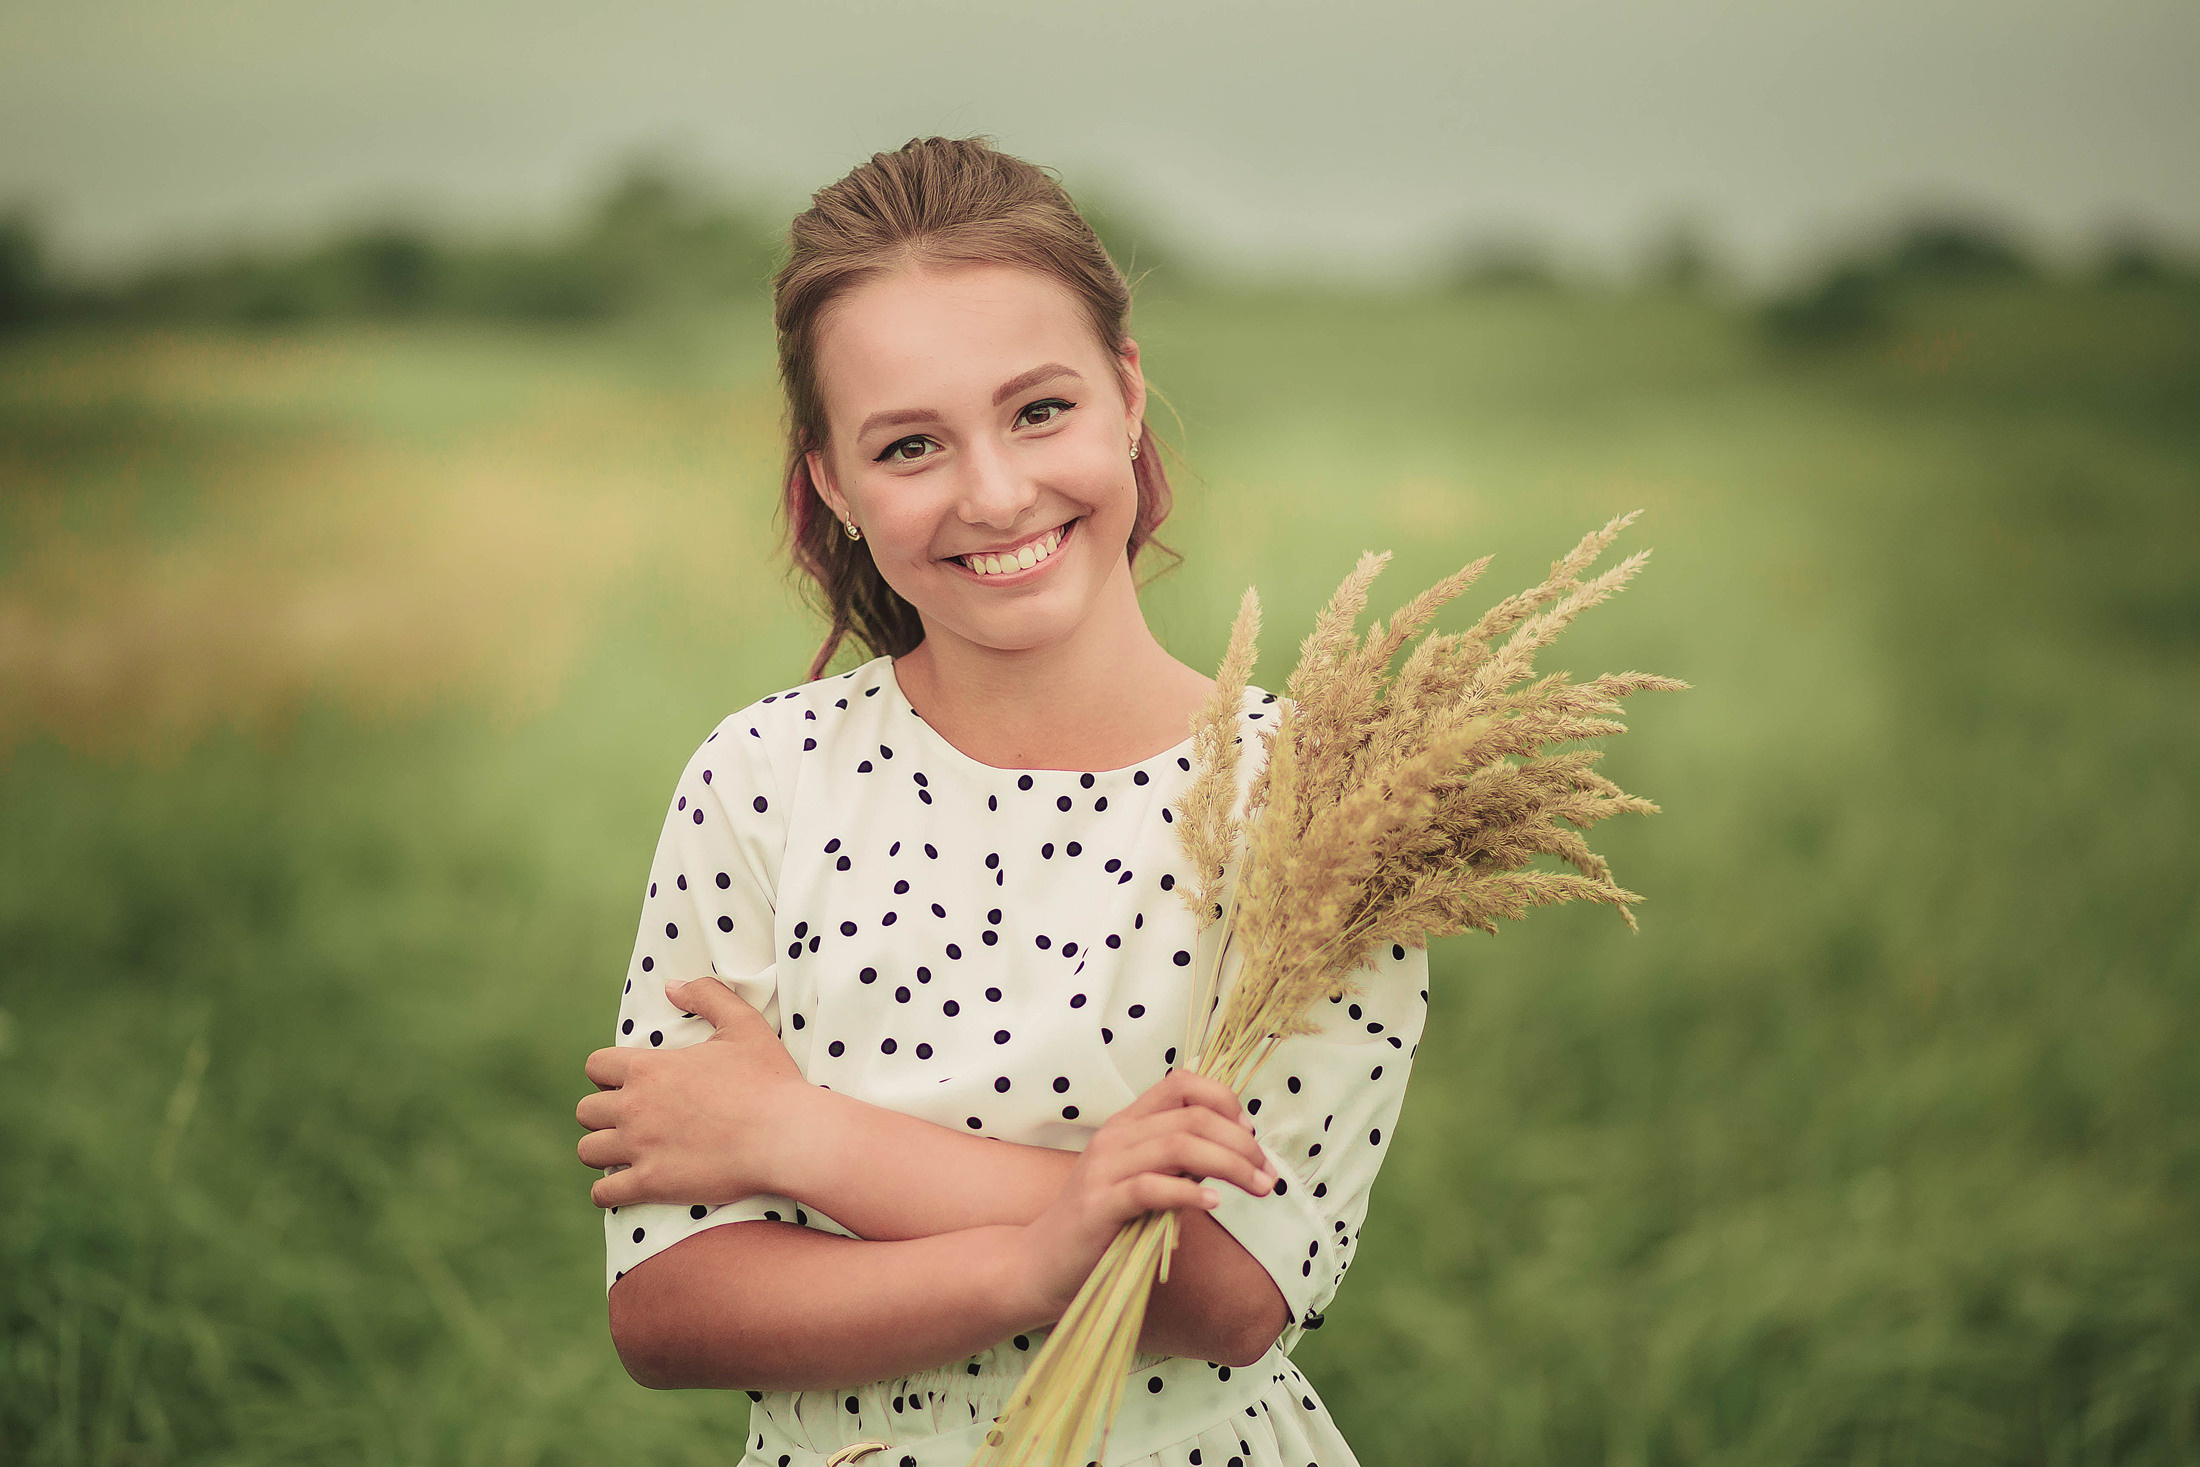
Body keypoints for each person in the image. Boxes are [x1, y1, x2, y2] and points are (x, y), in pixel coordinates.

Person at [574, 136, 1429, 1467]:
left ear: (1128, 396)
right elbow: (670, 1309)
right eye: (910, 445)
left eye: (1039, 410)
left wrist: (801, 1137)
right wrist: (1046, 1253)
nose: (995, 493)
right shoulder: (761, 782)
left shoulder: (1321, 802)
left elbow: (1233, 1292)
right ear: (833, 486)